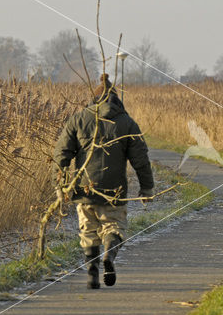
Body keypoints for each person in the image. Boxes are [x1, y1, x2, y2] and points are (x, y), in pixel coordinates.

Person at [54, 74, 154, 289]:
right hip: (114, 191)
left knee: (88, 231)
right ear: (117, 100)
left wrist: (61, 184)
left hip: (84, 189)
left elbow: (62, 153)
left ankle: (92, 274)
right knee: (114, 227)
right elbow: (141, 160)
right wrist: (146, 187)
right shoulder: (127, 123)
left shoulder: (78, 119)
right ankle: (109, 255)